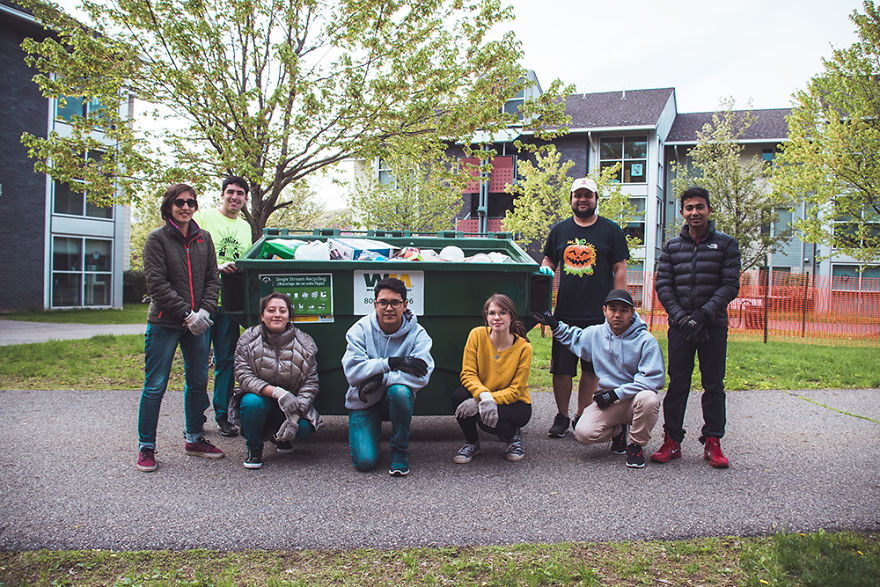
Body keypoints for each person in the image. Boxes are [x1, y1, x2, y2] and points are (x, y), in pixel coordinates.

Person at [652, 186, 740, 469]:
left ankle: (713, 442)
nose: (694, 213)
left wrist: (701, 316)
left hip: (713, 326)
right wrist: (681, 318)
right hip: (680, 328)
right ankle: (672, 441)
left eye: (699, 207)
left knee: (713, 385)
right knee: (677, 384)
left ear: (709, 210)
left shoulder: (726, 245)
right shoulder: (671, 247)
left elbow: (729, 285)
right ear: (682, 212)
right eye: (689, 208)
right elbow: (663, 285)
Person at [136, 183, 222, 472]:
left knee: (198, 381)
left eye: (191, 203)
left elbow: (213, 279)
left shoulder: (204, 238)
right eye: (180, 203)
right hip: (165, 322)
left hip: (198, 323)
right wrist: (187, 313)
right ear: (169, 206)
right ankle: (146, 447)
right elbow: (156, 285)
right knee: (155, 385)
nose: (186, 207)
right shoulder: (156, 239)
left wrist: (205, 311)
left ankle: (194, 438)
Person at [533, 289, 664, 468]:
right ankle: (618, 430)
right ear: (604, 311)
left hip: (634, 400)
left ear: (632, 312)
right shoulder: (596, 334)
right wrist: (554, 324)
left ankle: (635, 445)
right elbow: (574, 338)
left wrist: (616, 394)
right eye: (613, 309)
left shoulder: (646, 341)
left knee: (649, 399)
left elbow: (652, 380)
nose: (617, 315)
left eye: (624, 310)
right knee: (583, 433)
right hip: (608, 401)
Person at [540, 177, 629, 438]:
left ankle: (582, 414)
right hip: (565, 312)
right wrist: (544, 274)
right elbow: (548, 259)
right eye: (577, 195)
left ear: (595, 199)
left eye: (587, 195)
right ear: (571, 199)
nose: (582, 200)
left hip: (597, 314)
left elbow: (620, 267)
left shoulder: (611, 230)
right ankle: (562, 415)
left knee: (590, 369)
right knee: (561, 369)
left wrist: (618, 301)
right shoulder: (559, 230)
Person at [342, 277, 434, 476]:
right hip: (363, 400)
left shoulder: (418, 334)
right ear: (375, 305)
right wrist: (390, 363)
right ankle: (369, 431)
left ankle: (399, 450)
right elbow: (352, 372)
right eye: (383, 302)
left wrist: (381, 378)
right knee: (365, 462)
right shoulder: (359, 330)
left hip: (395, 398)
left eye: (395, 302)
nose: (389, 308)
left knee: (400, 391)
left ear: (405, 305)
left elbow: (422, 376)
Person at [230, 293, 323, 469]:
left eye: (282, 310)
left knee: (303, 429)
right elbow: (243, 376)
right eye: (271, 310)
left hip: (290, 406)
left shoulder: (305, 342)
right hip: (260, 400)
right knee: (251, 403)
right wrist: (277, 392)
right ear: (262, 316)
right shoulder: (248, 339)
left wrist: (295, 416)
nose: (277, 315)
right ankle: (254, 449)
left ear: (289, 316)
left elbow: (310, 384)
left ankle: (282, 439)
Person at [193, 176, 253, 438]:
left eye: (240, 193)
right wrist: (215, 267)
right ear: (222, 195)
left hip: (229, 305)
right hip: (203, 302)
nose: (234, 197)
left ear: (245, 199)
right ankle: (195, 416)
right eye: (230, 192)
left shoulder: (245, 227)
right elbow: (190, 253)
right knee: (197, 363)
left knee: (226, 361)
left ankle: (223, 415)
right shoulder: (204, 218)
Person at [452, 294, 533, 464]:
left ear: (511, 317)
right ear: (486, 317)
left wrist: (484, 401)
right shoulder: (477, 335)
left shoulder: (524, 348)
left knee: (485, 420)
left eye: (503, 313)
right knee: (459, 396)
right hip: (484, 395)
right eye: (492, 313)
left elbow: (515, 390)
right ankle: (472, 442)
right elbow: (468, 374)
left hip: (516, 404)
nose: (497, 317)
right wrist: (483, 397)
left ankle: (513, 437)